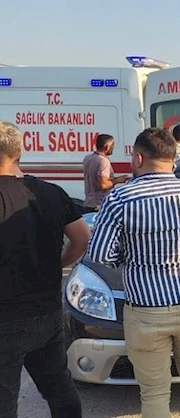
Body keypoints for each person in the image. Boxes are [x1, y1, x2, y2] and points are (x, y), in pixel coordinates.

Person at [87, 128, 180, 418]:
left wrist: (132, 256)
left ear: (137, 157)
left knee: (155, 392)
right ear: (173, 159)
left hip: (146, 310)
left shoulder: (121, 198)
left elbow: (100, 255)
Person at [0, 120, 90, 417]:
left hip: (6, 317)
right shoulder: (51, 193)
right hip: (47, 313)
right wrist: (58, 263)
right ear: (19, 152)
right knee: (59, 389)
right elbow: (81, 238)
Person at [82, 133, 127, 210]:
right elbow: (103, 184)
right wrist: (118, 180)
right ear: (107, 147)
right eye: (112, 146)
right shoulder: (103, 161)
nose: (113, 148)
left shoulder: (88, 158)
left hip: (89, 202)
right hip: (99, 204)